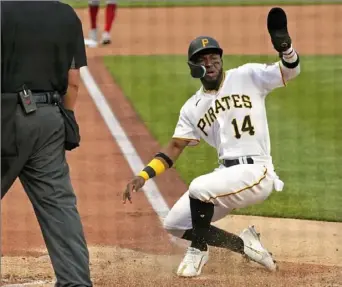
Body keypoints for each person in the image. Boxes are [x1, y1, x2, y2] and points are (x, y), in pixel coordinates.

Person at [123, 7, 300, 278]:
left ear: (221, 58)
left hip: (257, 171)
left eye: (214, 56)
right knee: (174, 223)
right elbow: (174, 149)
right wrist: (143, 175)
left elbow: (290, 72)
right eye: (203, 59)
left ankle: (198, 249)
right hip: (226, 176)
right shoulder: (192, 107)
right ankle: (244, 245)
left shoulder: (247, 76)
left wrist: (286, 49)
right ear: (193, 67)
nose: (211, 62)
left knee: (198, 187)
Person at [1, 1, 92, 286]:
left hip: (3, 115)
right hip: (48, 117)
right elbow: (73, 81)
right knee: (58, 204)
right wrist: (64, 118)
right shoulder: (65, 13)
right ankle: (75, 281)